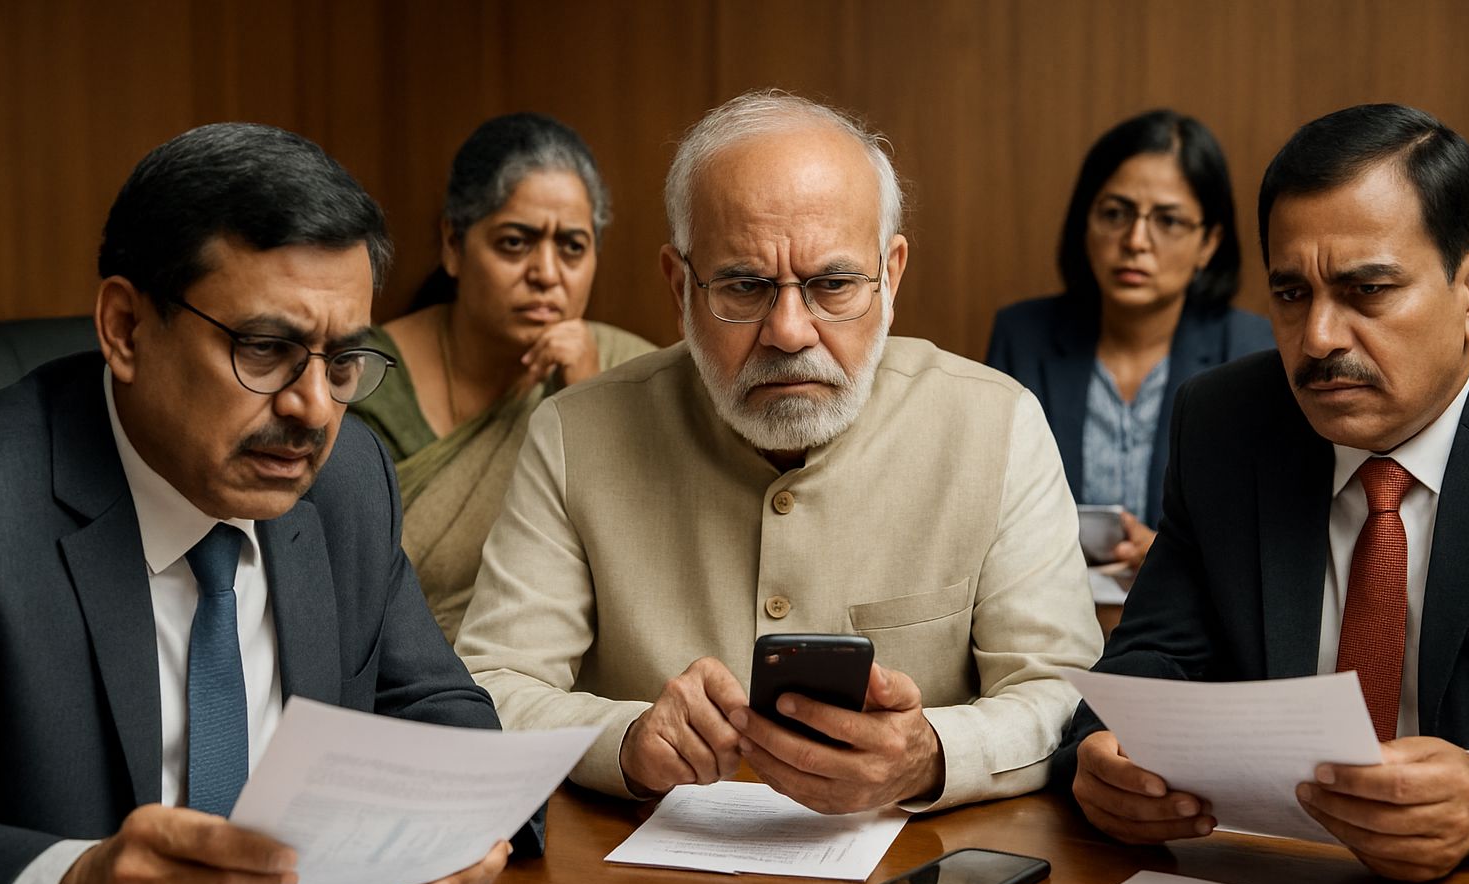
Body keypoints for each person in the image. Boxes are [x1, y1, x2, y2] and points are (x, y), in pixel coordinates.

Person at [0, 123, 542, 884]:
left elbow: (434, 703)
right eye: (266, 349)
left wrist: (460, 827)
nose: (314, 408)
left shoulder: (346, 480)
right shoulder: (2, 500)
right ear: (126, 328)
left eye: (344, 359)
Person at [456, 90, 1103, 815]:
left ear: (890, 276)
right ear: (680, 286)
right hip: (639, 870)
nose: (790, 331)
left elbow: (1065, 692)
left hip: (919, 866)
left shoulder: (996, 425)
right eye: (744, 286)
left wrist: (930, 754)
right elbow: (490, 685)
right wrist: (626, 739)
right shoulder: (575, 434)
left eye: (833, 285)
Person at [1053, 103, 1469, 882]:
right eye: (1292, 294)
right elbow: (1152, 660)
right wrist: (1102, 757)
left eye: (1366, 290)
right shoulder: (1226, 424)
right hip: (1266, 879)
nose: (1319, 339)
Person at [352, 114, 656, 640]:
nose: (546, 274)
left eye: (572, 247)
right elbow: (340, 580)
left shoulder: (634, 374)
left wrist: (586, 395)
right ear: (453, 245)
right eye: (515, 243)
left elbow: (647, 582)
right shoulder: (362, 378)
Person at [985, 110, 1273, 569]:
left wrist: (1168, 559)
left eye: (1168, 220)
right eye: (1115, 214)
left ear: (1208, 243)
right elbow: (990, 510)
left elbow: (1267, 534)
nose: (1136, 240)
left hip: (1193, 608)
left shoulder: (1252, 350)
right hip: (1051, 601)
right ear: (1086, 222)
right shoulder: (1023, 337)